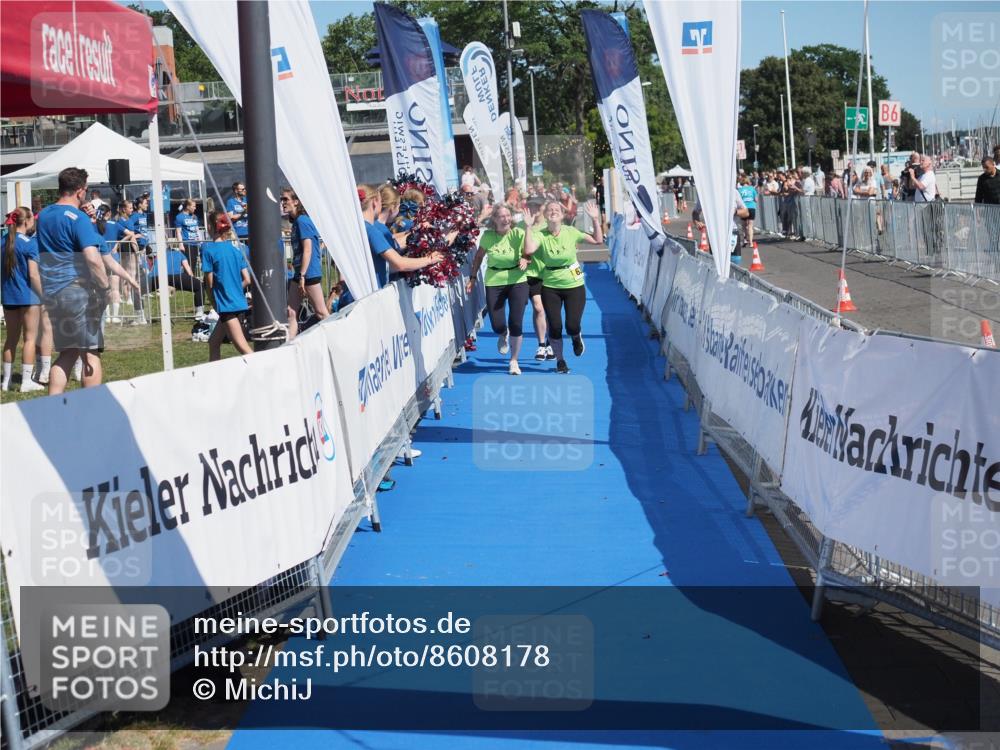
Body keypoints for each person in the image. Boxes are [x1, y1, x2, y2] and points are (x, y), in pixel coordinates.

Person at [35, 167, 113, 393]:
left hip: (53, 291)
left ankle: (53, 404)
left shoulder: (44, 215)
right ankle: (91, 406)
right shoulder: (78, 218)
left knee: (67, 352)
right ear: (80, 190)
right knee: (90, 354)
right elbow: (93, 259)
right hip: (77, 291)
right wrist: (105, 287)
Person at [524, 200, 603, 374]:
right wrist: (528, 227)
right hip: (550, 285)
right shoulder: (541, 235)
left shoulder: (571, 231)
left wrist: (595, 219)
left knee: (572, 325)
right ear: (546, 215)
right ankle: (560, 360)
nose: (553, 211)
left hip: (574, 284)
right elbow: (529, 249)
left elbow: (598, 240)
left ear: (562, 215)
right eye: (550, 210)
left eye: (556, 209)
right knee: (555, 326)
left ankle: (576, 337)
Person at [468, 203, 534, 375]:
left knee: (516, 322)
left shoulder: (518, 233)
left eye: (508, 215)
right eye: (502, 216)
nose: (506, 219)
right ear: (495, 220)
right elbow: (478, 257)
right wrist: (473, 278)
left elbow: (529, 252)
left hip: (518, 279)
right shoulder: (488, 236)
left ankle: (514, 361)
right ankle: (503, 333)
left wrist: (525, 258)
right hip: (494, 280)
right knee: (497, 324)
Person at [357, 185, 443, 289]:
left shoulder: (359, 227)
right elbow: (399, 264)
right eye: (380, 201)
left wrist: (415, 230)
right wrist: (429, 260)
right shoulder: (372, 230)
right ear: (375, 202)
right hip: (369, 292)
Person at [1, 208, 45, 392]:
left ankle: (6, 381)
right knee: (29, 338)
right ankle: (26, 382)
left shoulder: (2, 241)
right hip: (28, 297)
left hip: (8, 296)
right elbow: (34, 275)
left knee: (11, 339)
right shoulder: (30, 243)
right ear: (26, 221)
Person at [201, 211, 252, 361]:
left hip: (226, 306)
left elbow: (210, 283)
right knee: (214, 342)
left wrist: (213, 301)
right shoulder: (236, 250)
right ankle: (214, 374)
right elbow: (247, 279)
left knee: (244, 349)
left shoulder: (208, 250)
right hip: (237, 303)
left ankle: (267, 371)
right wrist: (234, 289)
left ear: (210, 227)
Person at [148, 245, 205, 318]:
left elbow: (152, 268)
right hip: (175, 276)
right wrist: (192, 280)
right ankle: (199, 312)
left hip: (155, 277)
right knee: (199, 285)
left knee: (138, 290)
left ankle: (140, 314)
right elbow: (188, 269)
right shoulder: (179, 253)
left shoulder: (158, 255)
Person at [174, 198, 202, 267]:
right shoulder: (179, 217)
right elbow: (178, 232)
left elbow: (197, 230)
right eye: (193, 206)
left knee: (194, 264)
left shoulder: (194, 217)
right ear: (188, 206)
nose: (195, 208)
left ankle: (192, 274)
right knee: (188, 265)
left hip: (195, 244)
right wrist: (181, 245)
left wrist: (201, 241)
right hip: (187, 244)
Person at [736, 176, 758, 249]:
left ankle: (745, 240)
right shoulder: (752, 189)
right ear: (748, 181)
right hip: (752, 207)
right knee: (750, 226)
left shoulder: (739, 190)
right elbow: (756, 199)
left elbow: (738, 200)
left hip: (744, 208)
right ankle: (751, 243)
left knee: (744, 225)